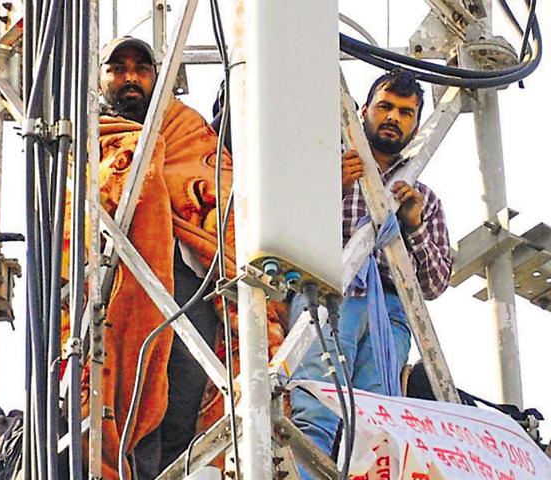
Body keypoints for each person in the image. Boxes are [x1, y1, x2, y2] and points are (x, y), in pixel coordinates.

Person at [61, 36, 286, 479]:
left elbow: (223, 198)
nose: (130, 78)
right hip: (115, 290)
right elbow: (70, 221)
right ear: (101, 78)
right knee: (120, 401)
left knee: (182, 399)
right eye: (117, 68)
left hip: (188, 287)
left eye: (142, 69)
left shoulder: (187, 130)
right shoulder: (81, 139)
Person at [289, 70, 452, 474]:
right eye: (385, 107)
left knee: (377, 430)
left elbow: (433, 283)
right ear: (363, 111)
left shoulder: (422, 197)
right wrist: (333, 188)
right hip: (326, 293)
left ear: (415, 124)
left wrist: (412, 225)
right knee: (317, 414)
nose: (394, 118)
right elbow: (285, 236)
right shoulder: (324, 166)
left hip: (390, 313)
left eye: (405, 112)